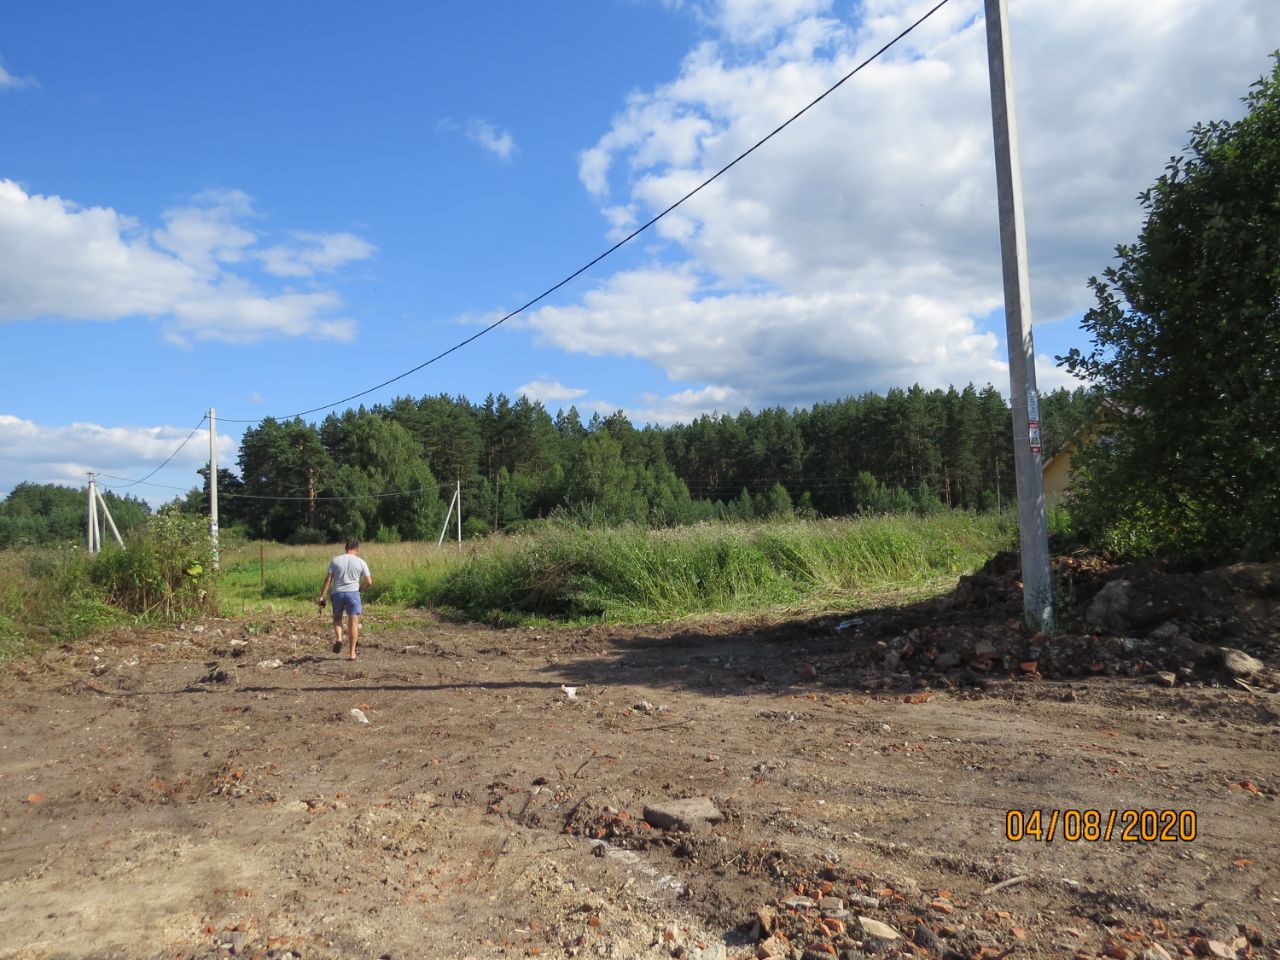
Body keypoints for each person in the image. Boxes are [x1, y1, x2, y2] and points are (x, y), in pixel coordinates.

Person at [318, 539, 373, 661]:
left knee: (337, 618)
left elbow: (328, 580)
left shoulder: (335, 560)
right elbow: (369, 582)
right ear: (357, 549)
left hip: (337, 593)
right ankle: (352, 653)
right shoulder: (361, 562)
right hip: (353, 593)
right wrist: (360, 589)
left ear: (346, 548)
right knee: (353, 622)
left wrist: (322, 596)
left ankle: (339, 638)